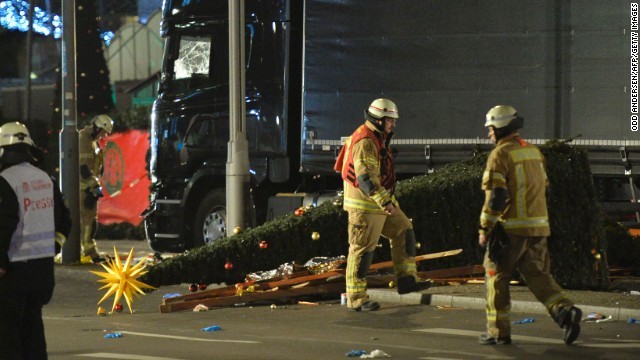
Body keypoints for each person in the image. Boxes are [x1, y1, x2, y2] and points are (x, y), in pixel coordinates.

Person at [477, 105, 582, 345]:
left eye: (491, 129)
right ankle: (565, 311)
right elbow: (544, 188)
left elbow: (496, 197)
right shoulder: (534, 152)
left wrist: (485, 228)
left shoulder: (500, 155)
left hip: (510, 231)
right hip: (538, 228)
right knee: (539, 276)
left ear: (501, 128)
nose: (489, 134)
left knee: (495, 277)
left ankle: (498, 331)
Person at [334, 98, 430, 312]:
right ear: (378, 120)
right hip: (365, 206)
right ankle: (356, 297)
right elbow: (366, 178)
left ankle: (407, 280)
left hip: (377, 202)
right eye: (390, 120)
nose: (393, 125)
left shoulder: (375, 137)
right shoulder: (366, 141)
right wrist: (385, 201)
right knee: (362, 250)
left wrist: (386, 201)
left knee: (404, 229)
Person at [0, 122, 71, 359]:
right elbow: (64, 221)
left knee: (8, 335)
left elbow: (4, 225)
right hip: (42, 271)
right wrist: (54, 246)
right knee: (33, 330)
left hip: (14, 271)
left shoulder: (5, 181)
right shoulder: (45, 179)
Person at [79, 114, 113, 263]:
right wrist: (93, 188)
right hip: (83, 189)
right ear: (97, 127)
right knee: (87, 221)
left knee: (90, 220)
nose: (103, 136)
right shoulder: (84, 140)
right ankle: (88, 252)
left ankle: (89, 251)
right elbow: (83, 168)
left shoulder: (92, 141)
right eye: (103, 132)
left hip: (89, 187)